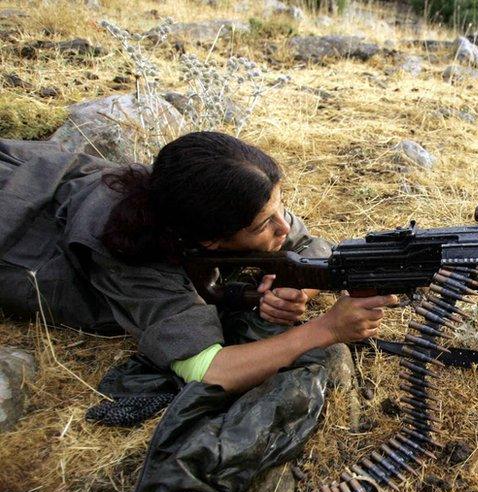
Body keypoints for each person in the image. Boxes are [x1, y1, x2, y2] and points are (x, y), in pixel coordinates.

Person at [0, 131, 397, 393]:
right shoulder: (133, 258)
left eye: (280, 207)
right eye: (264, 223)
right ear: (210, 239)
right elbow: (209, 369)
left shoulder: (202, 196)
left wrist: (298, 286)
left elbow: (311, 245)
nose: (283, 226)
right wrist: (327, 329)